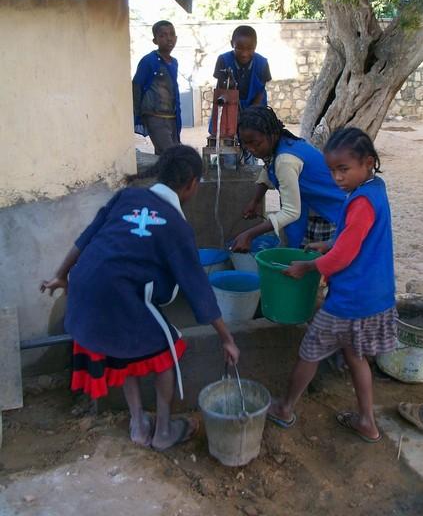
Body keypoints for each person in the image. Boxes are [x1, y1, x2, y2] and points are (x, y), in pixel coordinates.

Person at [40, 145, 240, 451]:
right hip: (119, 295)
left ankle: (137, 424)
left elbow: (88, 236)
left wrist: (61, 274)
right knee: (166, 350)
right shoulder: (177, 225)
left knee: (125, 350)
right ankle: (163, 431)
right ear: (193, 184)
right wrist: (226, 338)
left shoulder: (127, 197)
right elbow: (197, 286)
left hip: (85, 286)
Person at [267, 127, 397, 443]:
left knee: (309, 351)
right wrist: (328, 246)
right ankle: (366, 420)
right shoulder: (374, 189)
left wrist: (310, 266)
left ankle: (284, 408)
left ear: (368, 162)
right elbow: (358, 239)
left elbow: (347, 254)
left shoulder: (361, 201)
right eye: (332, 171)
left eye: (344, 169)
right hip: (374, 295)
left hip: (349, 300)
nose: (337, 178)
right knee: (355, 357)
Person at [230, 106, 345, 252]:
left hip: (328, 213)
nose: (251, 149)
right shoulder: (282, 144)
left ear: (272, 133)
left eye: (256, 143)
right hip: (311, 206)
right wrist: (256, 200)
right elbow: (268, 169)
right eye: (246, 144)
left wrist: (249, 234)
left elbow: (291, 212)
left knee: (312, 262)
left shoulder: (285, 160)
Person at [133, 20, 181, 155]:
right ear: (155, 40)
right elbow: (137, 86)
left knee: (166, 155)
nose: (169, 38)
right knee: (170, 153)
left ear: (176, 38)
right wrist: (137, 114)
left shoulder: (174, 62)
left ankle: (163, 176)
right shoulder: (149, 61)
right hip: (154, 116)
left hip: (172, 116)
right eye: (163, 35)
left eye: (172, 34)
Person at [214, 25, 272, 110]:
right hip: (228, 106)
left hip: (257, 108)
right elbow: (222, 90)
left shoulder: (262, 63)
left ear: (255, 45)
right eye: (239, 48)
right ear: (232, 44)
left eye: (249, 48)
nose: (244, 54)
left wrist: (250, 115)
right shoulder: (223, 60)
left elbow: (260, 92)